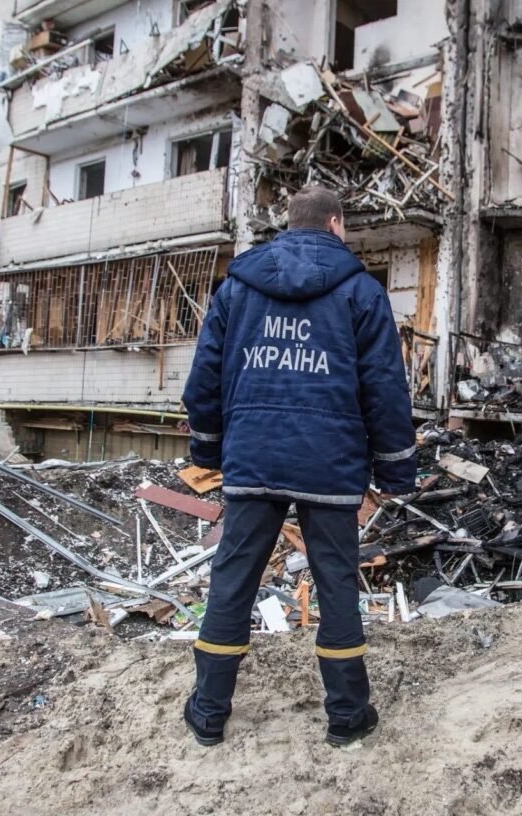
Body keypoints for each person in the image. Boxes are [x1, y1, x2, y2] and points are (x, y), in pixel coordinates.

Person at [180, 186, 416, 748]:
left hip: (254, 455)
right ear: (336, 224)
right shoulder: (362, 291)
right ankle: (347, 716)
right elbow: (385, 388)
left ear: (289, 225)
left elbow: (204, 377)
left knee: (233, 580)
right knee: (336, 584)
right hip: (330, 461)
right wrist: (395, 471)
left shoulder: (237, 288)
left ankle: (208, 712)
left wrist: (209, 451)